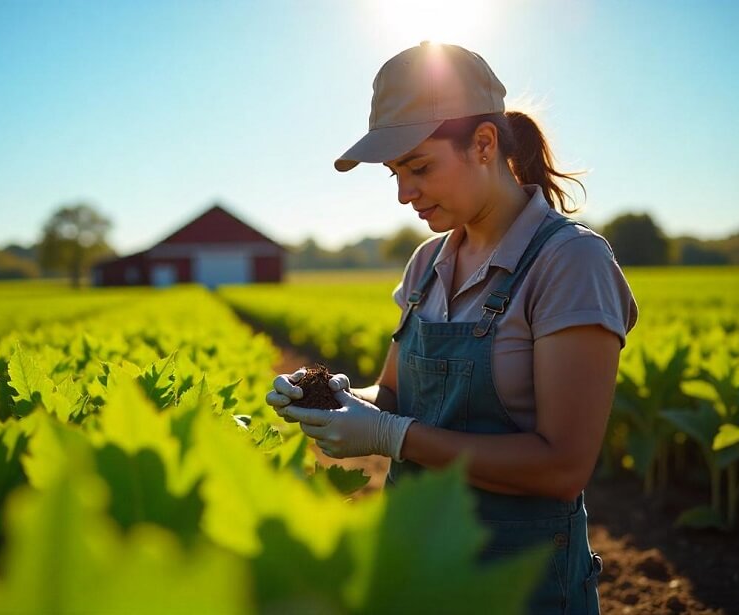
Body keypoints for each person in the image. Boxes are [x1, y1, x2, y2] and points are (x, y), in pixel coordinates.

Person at [266, 42, 637, 614]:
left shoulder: (570, 263)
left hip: (520, 587)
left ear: (484, 144)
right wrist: (333, 397)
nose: (403, 193)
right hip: (416, 572)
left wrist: (391, 436)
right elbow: (390, 396)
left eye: (419, 167)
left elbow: (563, 467)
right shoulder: (427, 260)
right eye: (395, 173)